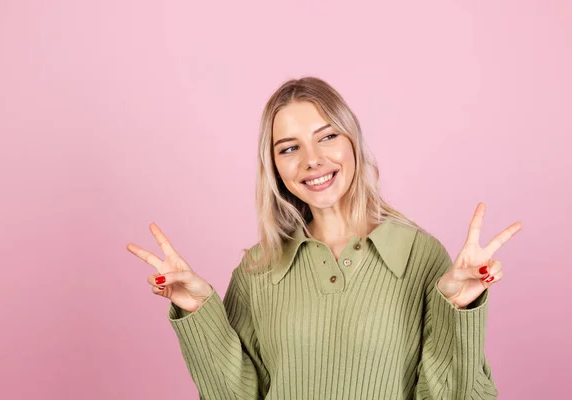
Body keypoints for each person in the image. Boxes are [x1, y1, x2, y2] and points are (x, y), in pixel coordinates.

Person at [127, 76, 522, 399]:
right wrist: (199, 311)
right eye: (289, 148)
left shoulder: (419, 254)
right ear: (275, 166)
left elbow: (455, 394)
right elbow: (234, 395)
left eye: (327, 136)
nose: (312, 159)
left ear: (352, 140)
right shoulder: (259, 268)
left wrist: (459, 306)